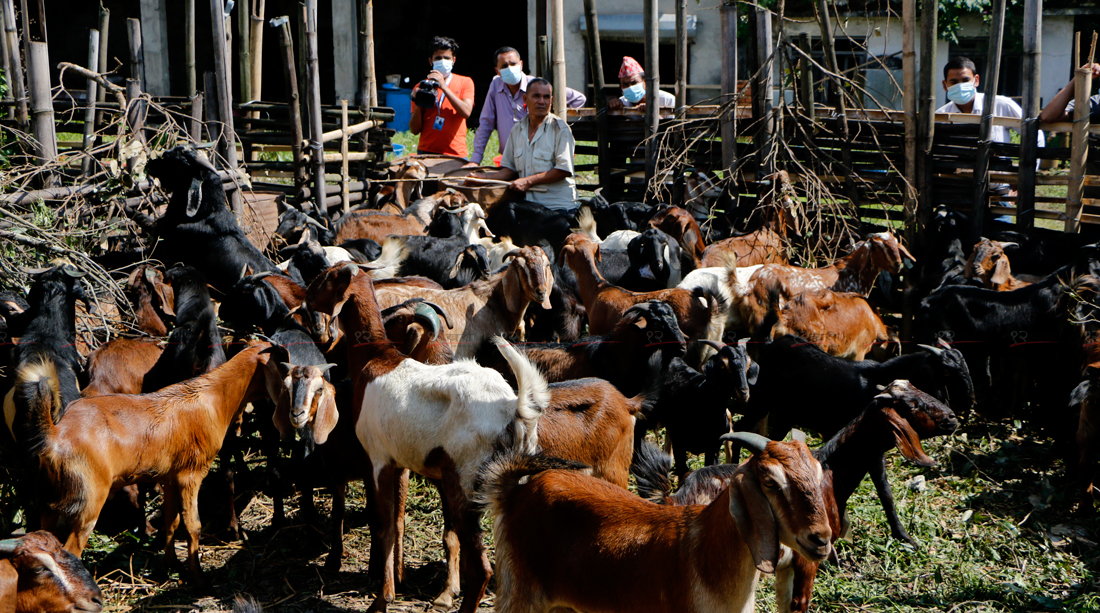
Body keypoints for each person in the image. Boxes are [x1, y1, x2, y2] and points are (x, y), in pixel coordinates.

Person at [936, 56, 1044, 198]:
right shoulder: (940, 116)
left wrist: (1025, 175)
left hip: (998, 193)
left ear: (976, 80)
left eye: (965, 80)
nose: (960, 86)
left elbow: (1035, 135)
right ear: (945, 85)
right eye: (954, 82)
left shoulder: (1001, 105)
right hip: (957, 193)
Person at [467, 78, 577, 211]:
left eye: (546, 97)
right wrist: (482, 178)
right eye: (536, 96)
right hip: (530, 206)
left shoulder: (560, 129)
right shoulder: (517, 129)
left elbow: (563, 170)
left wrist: (528, 181)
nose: (541, 101)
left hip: (558, 207)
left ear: (551, 101)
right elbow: (509, 170)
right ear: (525, 99)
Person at [469, 47, 587, 166]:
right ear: (497, 71)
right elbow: (486, 123)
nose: (510, 68)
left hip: (538, 158)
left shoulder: (536, 86)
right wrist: (475, 160)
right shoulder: (496, 84)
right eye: (504, 66)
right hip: (509, 158)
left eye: (513, 64)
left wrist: (554, 116)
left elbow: (579, 99)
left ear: (521, 64)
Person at [410, 36, 475, 158]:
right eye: (438, 58)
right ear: (431, 61)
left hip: (456, 153)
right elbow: (414, 130)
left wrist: (443, 86)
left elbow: (466, 112)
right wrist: (419, 102)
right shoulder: (421, 86)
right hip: (426, 151)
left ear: (453, 60)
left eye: (446, 58)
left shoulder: (465, 82)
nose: (442, 61)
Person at [607, 56, 675, 111]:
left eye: (634, 83)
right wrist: (611, 104)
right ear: (621, 89)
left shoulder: (667, 100)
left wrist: (652, 113)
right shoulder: (622, 103)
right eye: (625, 85)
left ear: (645, 83)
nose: (630, 87)